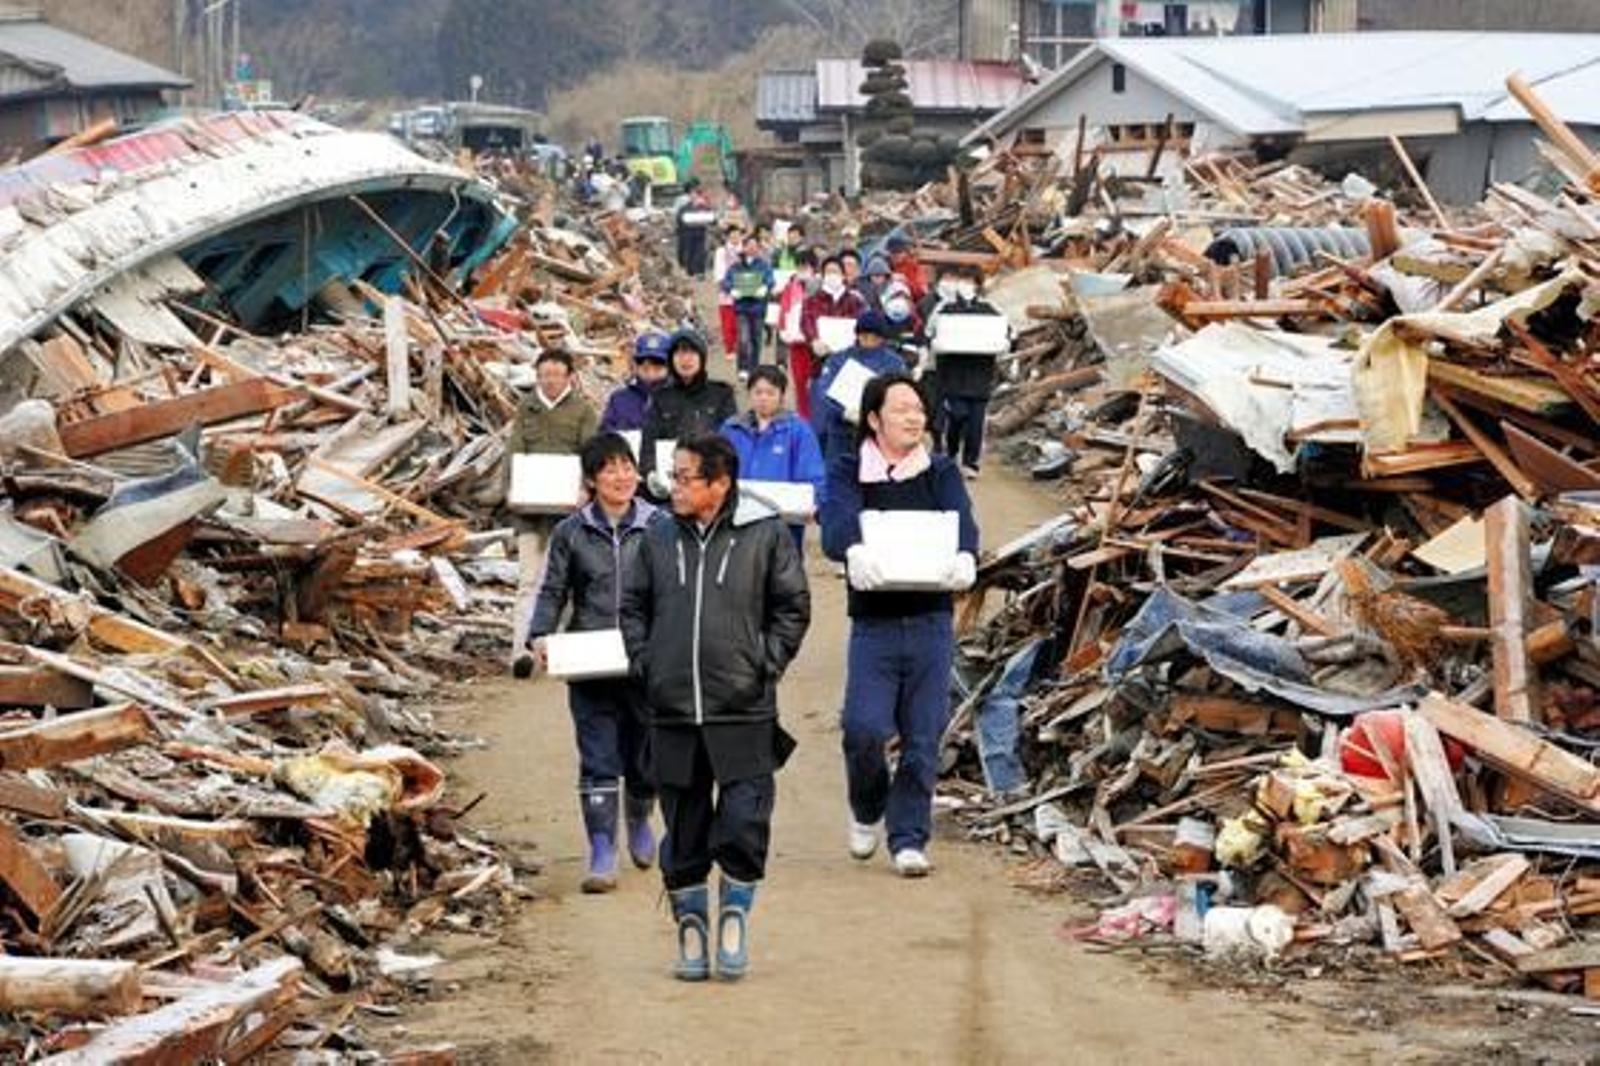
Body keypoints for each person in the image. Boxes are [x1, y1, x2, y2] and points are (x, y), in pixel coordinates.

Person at [621, 434, 810, 981]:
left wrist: (764, 664)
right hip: (673, 710)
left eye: (685, 478)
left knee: (744, 821)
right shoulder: (657, 536)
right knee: (683, 830)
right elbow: (633, 605)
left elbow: (792, 605)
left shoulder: (765, 532)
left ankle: (734, 918)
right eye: (674, 476)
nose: (673, 487)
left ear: (720, 484)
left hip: (743, 709)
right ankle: (691, 929)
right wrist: (647, 663)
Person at [820, 374, 979, 878]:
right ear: (873, 419)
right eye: (901, 409)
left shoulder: (939, 472)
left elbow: (963, 521)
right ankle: (867, 806)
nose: (914, 417)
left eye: (918, 409)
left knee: (923, 734)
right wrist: (853, 547)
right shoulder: (852, 470)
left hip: (931, 620)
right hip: (876, 624)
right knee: (864, 728)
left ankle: (908, 836)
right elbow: (837, 519)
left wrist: (965, 556)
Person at [527, 434, 667, 892]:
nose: (622, 477)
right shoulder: (572, 531)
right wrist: (540, 634)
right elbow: (553, 590)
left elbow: (676, 591)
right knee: (598, 754)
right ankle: (602, 847)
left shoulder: (659, 525)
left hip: (646, 658)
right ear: (592, 478)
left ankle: (640, 816)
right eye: (610, 469)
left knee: (646, 753)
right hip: (590, 655)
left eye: (627, 467)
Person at [508, 351, 599, 676]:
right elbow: (514, 452)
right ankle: (521, 651)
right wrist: (512, 490)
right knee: (528, 580)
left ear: (569, 377)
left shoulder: (582, 411)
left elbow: (591, 455)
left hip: (568, 514)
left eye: (556, 374)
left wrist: (586, 491)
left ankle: (558, 652)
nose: (549, 380)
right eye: (544, 374)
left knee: (566, 583)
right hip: (530, 512)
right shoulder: (526, 408)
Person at [720, 366, 826, 552]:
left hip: (784, 522)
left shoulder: (799, 430)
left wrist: (814, 502)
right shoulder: (731, 429)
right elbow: (719, 468)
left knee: (782, 574)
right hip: (738, 518)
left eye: (770, 392)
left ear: (781, 395)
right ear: (749, 394)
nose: (763, 398)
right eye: (758, 392)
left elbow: (812, 472)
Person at [927, 267, 1010, 478]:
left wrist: (1003, 344)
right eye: (961, 280)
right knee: (956, 415)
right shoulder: (945, 308)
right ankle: (951, 451)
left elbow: (1007, 332)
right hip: (952, 374)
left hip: (980, 374)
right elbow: (930, 332)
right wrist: (935, 346)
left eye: (970, 280)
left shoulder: (990, 309)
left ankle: (971, 463)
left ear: (977, 284)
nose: (965, 284)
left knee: (975, 423)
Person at [809, 311, 911, 469]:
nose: (869, 341)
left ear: (882, 338)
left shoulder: (894, 363)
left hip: (879, 434)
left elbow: (903, 394)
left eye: (874, 337)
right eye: (864, 336)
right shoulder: (838, 359)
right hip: (841, 432)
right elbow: (823, 391)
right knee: (838, 478)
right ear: (857, 335)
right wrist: (842, 412)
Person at [640, 329, 737, 494]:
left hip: (710, 482)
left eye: (691, 352)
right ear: (671, 360)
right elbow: (648, 447)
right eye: (679, 353)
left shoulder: (722, 394)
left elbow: (731, 443)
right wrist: (651, 474)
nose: (685, 359)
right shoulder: (660, 398)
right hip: (671, 483)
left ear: (702, 357)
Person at [799, 257, 868, 412]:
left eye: (835, 271)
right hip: (820, 362)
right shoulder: (812, 301)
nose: (832, 275)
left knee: (845, 412)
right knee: (820, 411)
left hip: (849, 364)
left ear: (843, 275)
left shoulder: (855, 301)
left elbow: (864, 325)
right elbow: (806, 322)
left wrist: (857, 342)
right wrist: (814, 340)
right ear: (822, 276)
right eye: (828, 272)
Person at [722, 233, 774, 382]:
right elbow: (726, 281)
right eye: (748, 245)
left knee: (756, 339)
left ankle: (754, 369)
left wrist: (765, 287)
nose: (751, 248)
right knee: (743, 339)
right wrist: (732, 290)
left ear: (758, 248)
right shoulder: (736, 266)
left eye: (754, 246)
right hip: (742, 309)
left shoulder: (763, 265)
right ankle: (743, 368)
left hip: (758, 308)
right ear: (743, 247)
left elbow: (770, 279)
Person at [600, 331, 672, 436]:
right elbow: (604, 436)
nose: (651, 375)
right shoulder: (619, 399)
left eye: (658, 369)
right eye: (645, 368)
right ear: (636, 367)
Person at [776, 249, 818, 419]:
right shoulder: (790, 286)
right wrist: (782, 329)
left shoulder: (820, 287)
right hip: (796, 343)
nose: (802, 269)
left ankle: (817, 417)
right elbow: (784, 310)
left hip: (816, 345)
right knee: (800, 382)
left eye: (806, 266)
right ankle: (803, 416)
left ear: (814, 267)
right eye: (799, 266)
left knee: (816, 383)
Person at [712, 226, 743, 359]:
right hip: (727, 293)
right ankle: (729, 349)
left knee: (741, 323)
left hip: (744, 292)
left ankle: (740, 348)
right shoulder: (721, 251)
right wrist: (727, 286)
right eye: (732, 235)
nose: (735, 237)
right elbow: (719, 272)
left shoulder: (745, 249)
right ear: (727, 236)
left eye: (738, 235)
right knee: (728, 323)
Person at [675, 182, 715, 277]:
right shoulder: (684, 207)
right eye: (692, 194)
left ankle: (700, 271)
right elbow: (680, 219)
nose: (694, 196)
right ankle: (690, 271)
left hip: (700, 232)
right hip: (687, 233)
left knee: (700, 252)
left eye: (696, 194)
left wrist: (706, 208)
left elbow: (712, 219)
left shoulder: (704, 207)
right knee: (689, 252)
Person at [885, 232, 930, 304]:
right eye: (893, 252)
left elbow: (923, 293)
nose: (896, 255)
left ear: (906, 252)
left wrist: (906, 282)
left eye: (899, 252)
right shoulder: (883, 265)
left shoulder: (915, 268)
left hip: (909, 306)